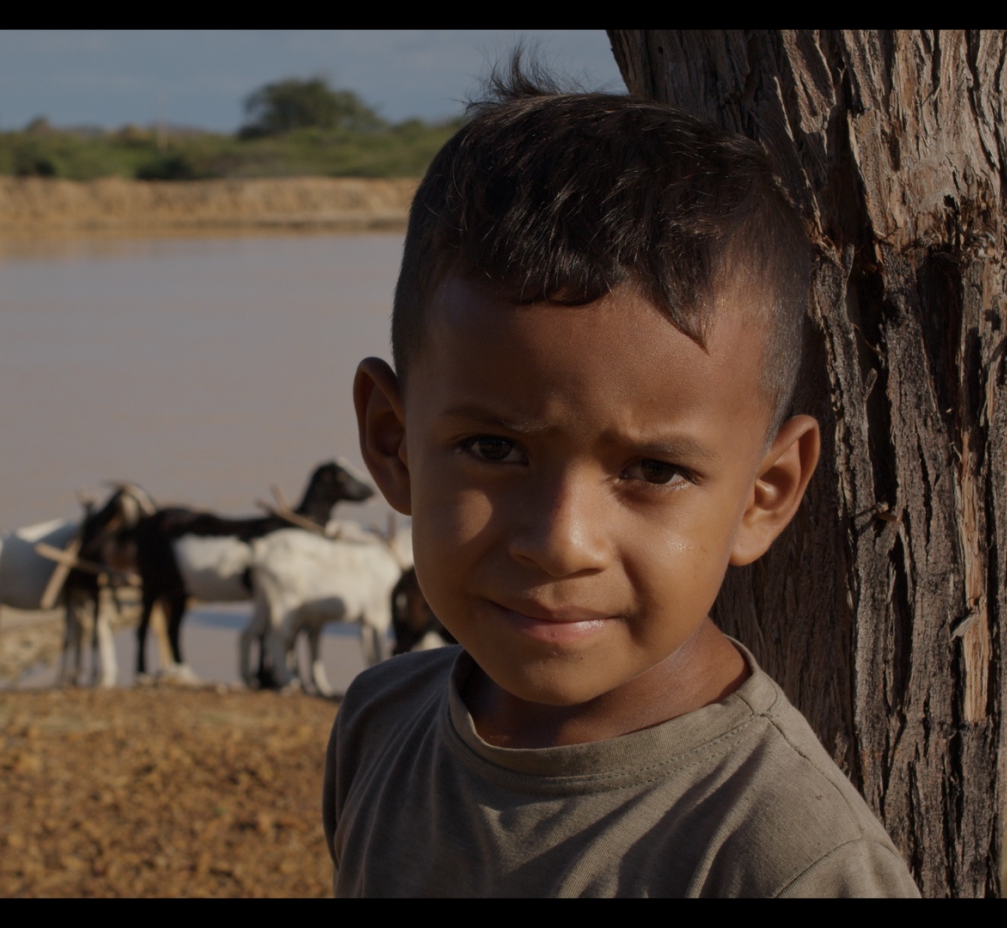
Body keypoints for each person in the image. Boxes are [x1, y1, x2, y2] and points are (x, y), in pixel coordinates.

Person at [329, 63, 922, 897]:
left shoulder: (785, 859)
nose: (559, 543)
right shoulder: (379, 725)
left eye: (654, 470)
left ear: (765, 495)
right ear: (393, 444)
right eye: (494, 449)